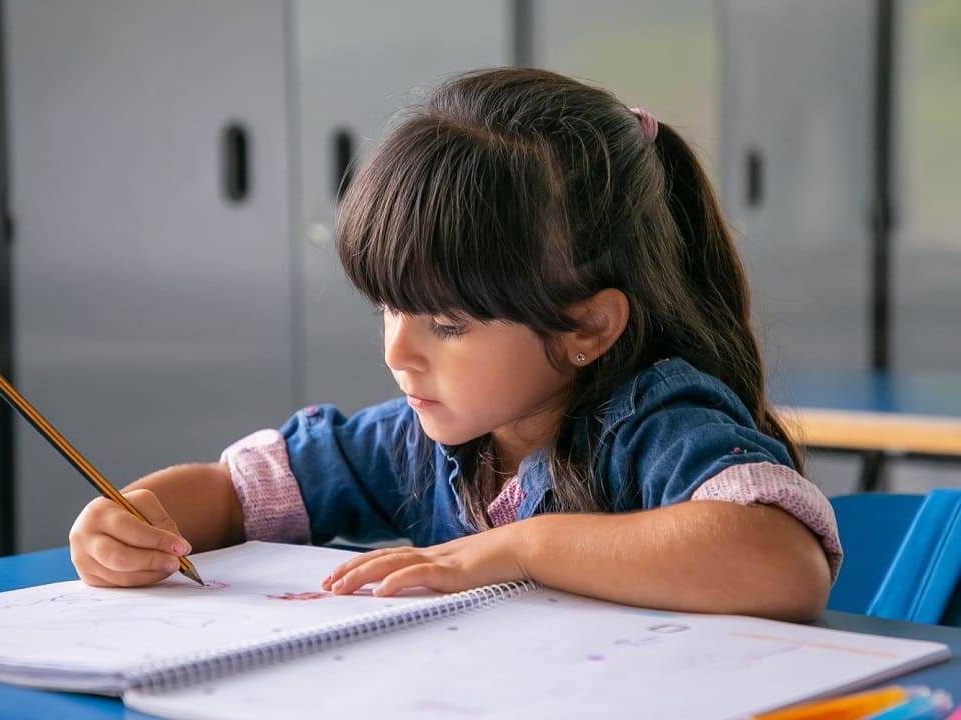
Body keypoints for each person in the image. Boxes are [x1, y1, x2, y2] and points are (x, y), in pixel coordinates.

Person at [69, 67, 840, 622]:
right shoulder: (422, 441)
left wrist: (524, 548)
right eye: (388, 310)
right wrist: (138, 517)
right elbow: (236, 494)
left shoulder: (653, 421)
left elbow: (780, 561)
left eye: (447, 325)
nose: (398, 354)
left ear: (587, 327)